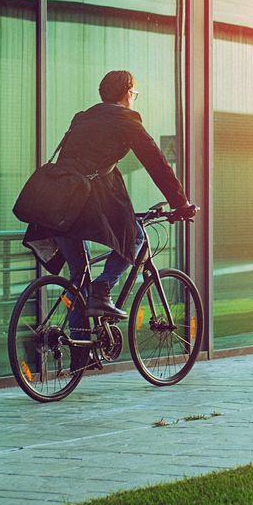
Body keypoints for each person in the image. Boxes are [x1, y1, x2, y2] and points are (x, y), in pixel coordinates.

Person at [24, 71, 196, 326]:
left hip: (58, 205)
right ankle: (102, 289)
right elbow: (156, 162)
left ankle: (79, 350)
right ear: (128, 94)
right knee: (135, 237)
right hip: (88, 201)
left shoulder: (82, 118)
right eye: (134, 94)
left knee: (79, 274)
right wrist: (180, 203)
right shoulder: (126, 119)